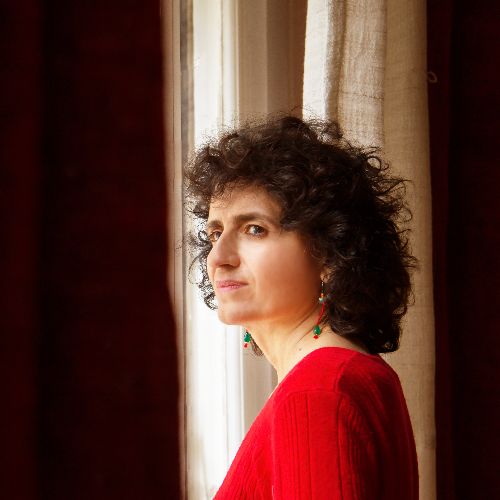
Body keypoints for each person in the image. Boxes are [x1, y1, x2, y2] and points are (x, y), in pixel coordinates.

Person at [184, 115, 420, 499]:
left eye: (254, 229)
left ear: (328, 253)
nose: (218, 257)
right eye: (215, 233)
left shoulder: (318, 390)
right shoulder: (352, 373)